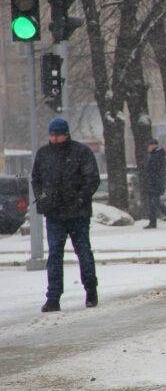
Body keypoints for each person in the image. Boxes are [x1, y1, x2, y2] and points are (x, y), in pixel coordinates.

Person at [31, 118, 101, 312]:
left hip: (77, 214)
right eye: (51, 134)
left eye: (57, 134)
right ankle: (53, 297)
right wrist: (43, 199)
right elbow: (36, 180)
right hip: (54, 214)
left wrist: (79, 199)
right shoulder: (44, 154)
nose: (54, 138)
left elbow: (91, 179)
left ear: (66, 134)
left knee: (83, 252)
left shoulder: (81, 152)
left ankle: (91, 290)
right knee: (54, 255)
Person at [145, 139, 166, 229]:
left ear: (153, 146)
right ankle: (152, 222)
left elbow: (157, 171)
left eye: (148, 146)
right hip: (153, 182)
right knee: (152, 203)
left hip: (156, 183)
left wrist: (157, 182)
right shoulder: (155, 155)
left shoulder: (157, 155)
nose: (147, 148)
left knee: (155, 202)